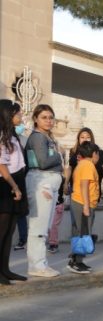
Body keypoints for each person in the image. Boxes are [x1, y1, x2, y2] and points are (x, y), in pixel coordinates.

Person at [25, 104, 65, 278]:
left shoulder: (46, 137)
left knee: (44, 226)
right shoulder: (38, 137)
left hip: (48, 182)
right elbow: (43, 162)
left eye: (50, 117)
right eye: (44, 117)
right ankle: (37, 265)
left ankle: (40, 263)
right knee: (39, 227)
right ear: (35, 119)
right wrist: (59, 155)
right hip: (42, 182)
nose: (48, 121)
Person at [0, 99, 28, 284]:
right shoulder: (2, 135)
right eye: (17, 113)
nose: (20, 116)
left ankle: (5, 269)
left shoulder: (12, 136)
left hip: (16, 180)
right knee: (2, 231)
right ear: (8, 115)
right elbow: (1, 165)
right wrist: (14, 186)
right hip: (6, 184)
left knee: (10, 230)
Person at [67, 141, 100, 274]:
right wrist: (86, 205)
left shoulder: (82, 164)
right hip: (82, 203)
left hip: (80, 202)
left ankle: (77, 260)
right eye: (98, 154)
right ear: (94, 153)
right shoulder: (88, 165)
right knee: (82, 233)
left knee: (80, 232)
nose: (98, 157)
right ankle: (76, 262)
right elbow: (84, 185)